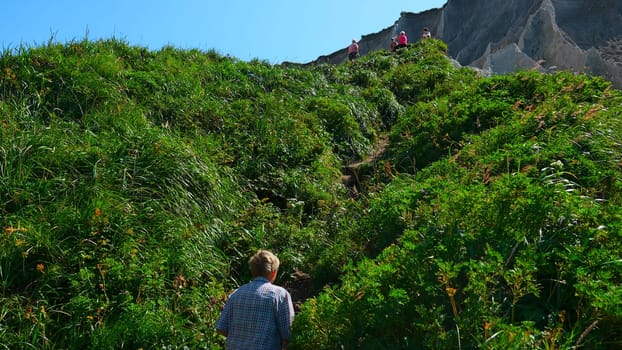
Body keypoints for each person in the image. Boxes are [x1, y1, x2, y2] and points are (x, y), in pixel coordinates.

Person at [216, 250, 295, 350]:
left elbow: (221, 328)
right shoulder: (279, 294)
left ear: (253, 270)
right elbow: (288, 333)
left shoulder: (236, 293)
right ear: (273, 272)